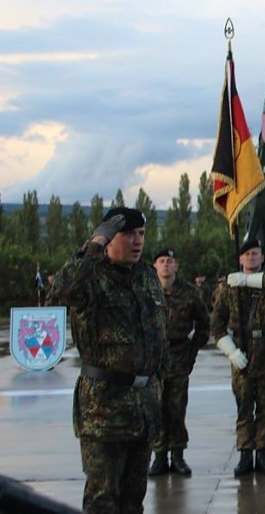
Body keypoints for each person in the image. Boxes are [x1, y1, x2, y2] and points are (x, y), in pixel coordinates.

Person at [47, 207, 166, 513]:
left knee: (133, 500)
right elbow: (61, 289)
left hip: (144, 408)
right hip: (105, 410)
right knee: (103, 501)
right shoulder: (91, 277)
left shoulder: (147, 277)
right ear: (110, 238)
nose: (137, 241)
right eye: (128, 234)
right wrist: (95, 243)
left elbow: (156, 337)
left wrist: (157, 388)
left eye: (141, 234)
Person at [211, 239, 265, 476]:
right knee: (243, 408)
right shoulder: (227, 289)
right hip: (241, 350)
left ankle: (262, 455)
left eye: (256, 254)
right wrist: (230, 351)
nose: (251, 258)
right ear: (240, 259)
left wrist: (244, 279)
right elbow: (217, 326)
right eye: (247, 254)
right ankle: (245, 455)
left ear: (262, 258)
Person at [148, 248, 210, 477]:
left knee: (176, 410)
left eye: (169, 261)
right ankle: (159, 456)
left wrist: (191, 351)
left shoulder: (190, 293)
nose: (165, 265)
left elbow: (204, 326)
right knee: (157, 409)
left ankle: (178, 456)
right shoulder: (146, 291)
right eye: (161, 261)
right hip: (153, 360)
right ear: (155, 266)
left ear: (176, 266)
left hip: (179, 357)